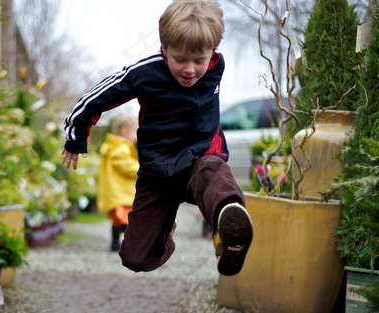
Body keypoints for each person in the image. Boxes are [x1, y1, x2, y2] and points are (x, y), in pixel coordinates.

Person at [60, 0, 253, 276]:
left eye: (199, 60)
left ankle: (227, 229)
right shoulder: (146, 73)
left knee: (212, 170)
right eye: (180, 60)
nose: (190, 69)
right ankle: (165, 227)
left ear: (212, 52)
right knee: (135, 258)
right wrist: (76, 135)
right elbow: (99, 95)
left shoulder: (215, 67)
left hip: (199, 160)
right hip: (157, 172)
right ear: (164, 50)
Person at [97, 116, 140, 252]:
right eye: (135, 132)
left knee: (117, 220)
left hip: (116, 191)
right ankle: (131, 244)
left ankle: (116, 243)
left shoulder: (113, 146)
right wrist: (142, 168)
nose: (137, 136)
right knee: (127, 220)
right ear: (123, 131)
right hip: (122, 192)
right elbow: (126, 166)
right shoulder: (120, 147)